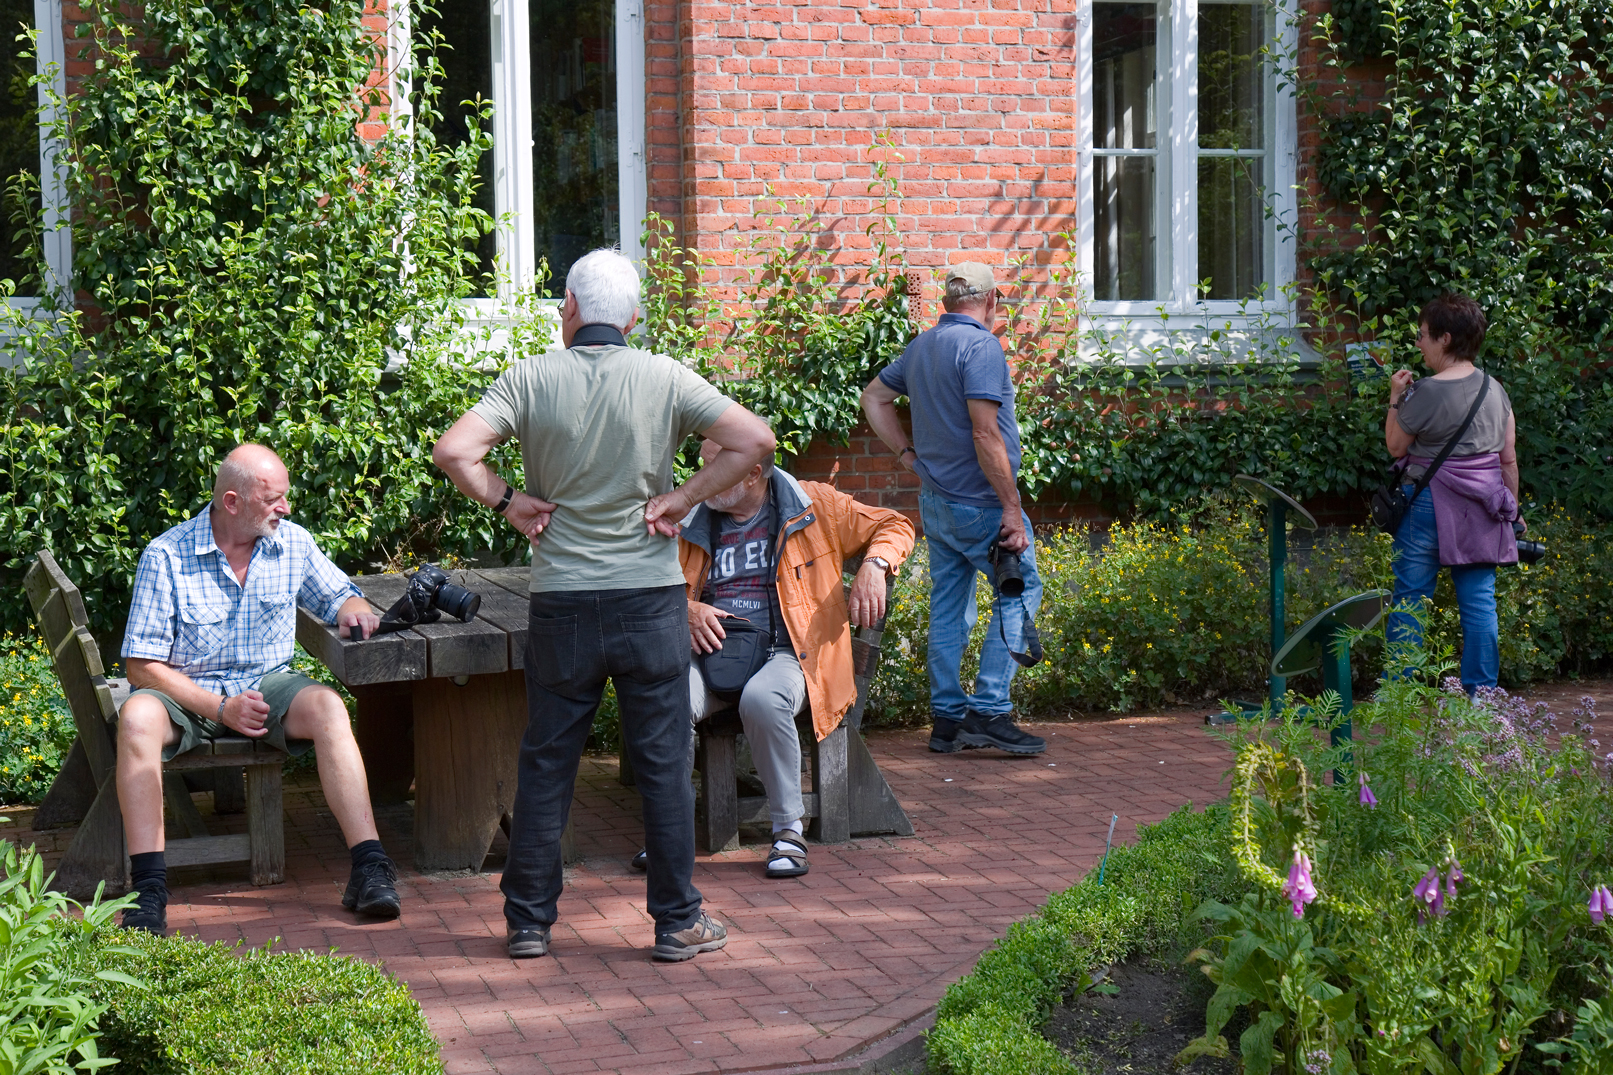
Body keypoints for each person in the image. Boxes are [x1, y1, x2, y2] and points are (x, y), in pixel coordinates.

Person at [433, 248, 776, 962]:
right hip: (649, 603)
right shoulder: (663, 375)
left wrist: (508, 499)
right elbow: (754, 441)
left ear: (569, 308)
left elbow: (454, 450)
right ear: (633, 317)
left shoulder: (529, 377)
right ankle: (677, 921)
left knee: (547, 761)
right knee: (660, 762)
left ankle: (528, 921)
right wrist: (681, 498)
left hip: (562, 601)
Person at [117, 444, 395, 935]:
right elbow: (141, 664)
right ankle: (148, 892)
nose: (285, 509)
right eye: (273, 500)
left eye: (285, 498)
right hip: (187, 692)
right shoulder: (166, 556)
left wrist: (353, 604)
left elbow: (339, 593)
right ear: (231, 503)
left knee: (330, 708)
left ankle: (370, 868)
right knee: (136, 719)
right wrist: (220, 708)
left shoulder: (293, 544)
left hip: (268, 687)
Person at [623, 441, 915, 878]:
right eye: (702, 463)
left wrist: (874, 564)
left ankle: (787, 831)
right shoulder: (688, 515)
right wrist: (686, 609)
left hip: (789, 651)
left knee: (763, 699)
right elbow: (639, 579)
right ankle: (669, 831)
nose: (702, 475)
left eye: (715, 466)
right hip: (711, 649)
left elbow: (896, 524)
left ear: (752, 473)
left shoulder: (815, 504)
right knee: (666, 697)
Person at [860, 262, 1046, 756]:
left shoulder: (922, 346)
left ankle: (946, 720)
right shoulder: (981, 346)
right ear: (989, 300)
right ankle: (988, 711)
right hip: (981, 503)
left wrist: (906, 455)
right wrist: (1011, 507)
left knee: (948, 607)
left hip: (937, 502)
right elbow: (986, 434)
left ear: (949, 301)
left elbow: (874, 397)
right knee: (1021, 588)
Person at [1385, 293, 1520, 695]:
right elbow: (1508, 459)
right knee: (1480, 605)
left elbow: (1396, 446)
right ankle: (1482, 697)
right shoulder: (1495, 390)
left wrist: (1395, 397)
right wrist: (1512, 512)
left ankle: (1400, 696)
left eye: (1422, 335)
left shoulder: (1425, 391)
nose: (1418, 343)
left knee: (1410, 599)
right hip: (1483, 506)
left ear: (1444, 339)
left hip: (1428, 501)